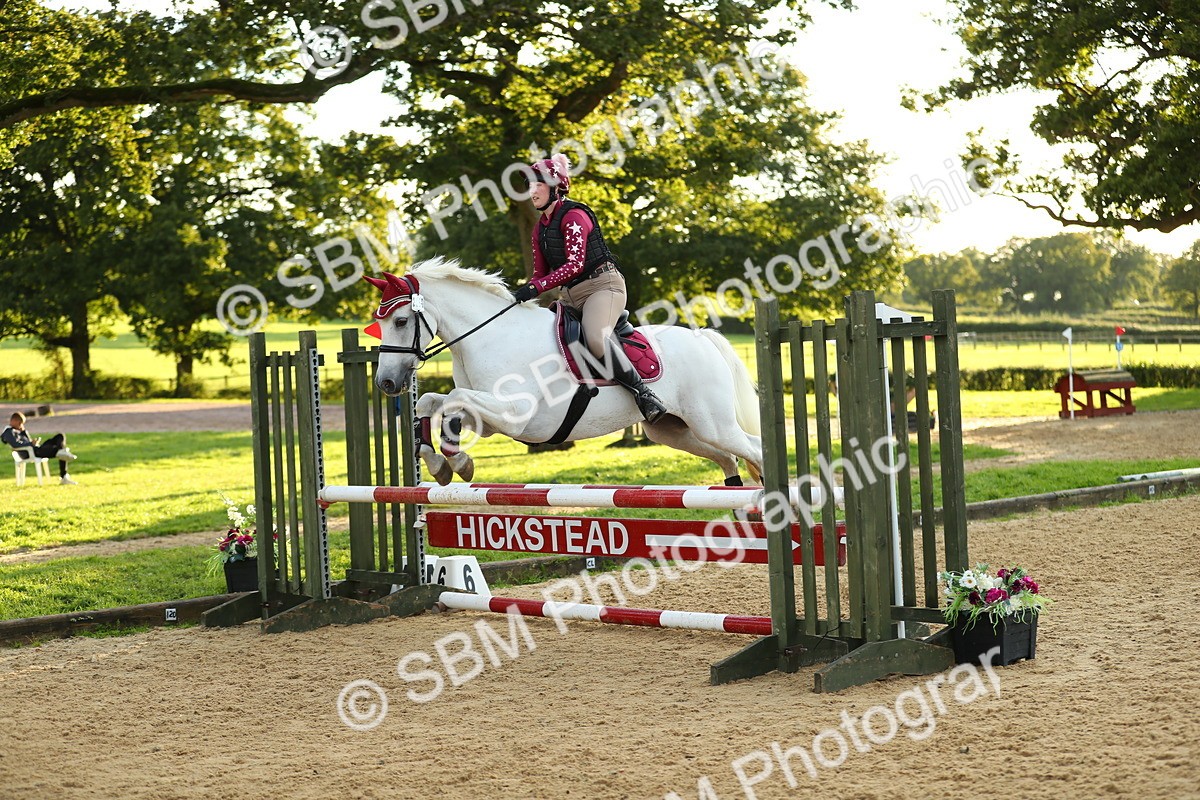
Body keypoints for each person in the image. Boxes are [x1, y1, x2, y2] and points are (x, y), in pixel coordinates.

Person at [511, 153, 668, 423]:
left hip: (603, 286)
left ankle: (645, 395)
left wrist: (536, 288)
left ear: (555, 187)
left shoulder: (574, 216)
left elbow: (574, 265)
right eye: (530, 185)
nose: (532, 191)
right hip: (571, 296)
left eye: (538, 185)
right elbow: (539, 274)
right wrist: (521, 296)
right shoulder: (540, 229)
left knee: (595, 337)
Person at [2, 412, 78, 484]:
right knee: (60, 452)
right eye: (20, 423)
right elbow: (16, 445)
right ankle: (64, 475)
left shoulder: (19, 431)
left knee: (60, 436)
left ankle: (62, 452)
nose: (20, 425)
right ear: (13, 421)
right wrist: (30, 444)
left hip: (36, 449)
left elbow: (28, 440)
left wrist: (24, 432)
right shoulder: (8, 432)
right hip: (31, 452)